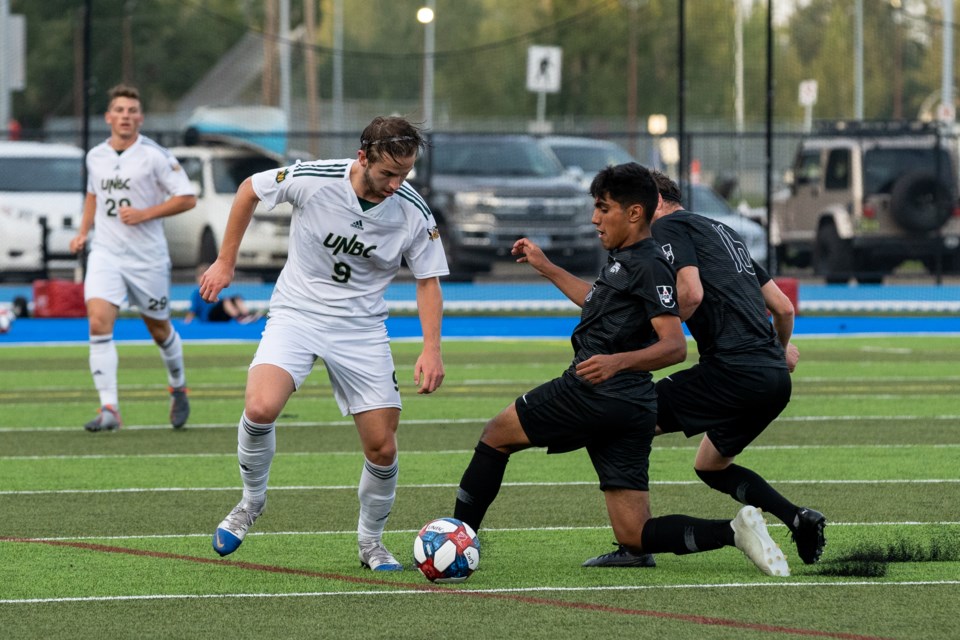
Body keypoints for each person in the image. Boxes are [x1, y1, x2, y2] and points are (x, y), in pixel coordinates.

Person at [453, 162, 791, 578]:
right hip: (632, 406)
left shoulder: (648, 263)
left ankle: (457, 540)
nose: (595, 219)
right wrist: (546, 266)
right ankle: (734, 532)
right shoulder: (630, 259)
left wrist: (616, 361)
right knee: (634, 535)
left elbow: (674, 346)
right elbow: (596, 302)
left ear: (634, 213)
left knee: (494, 436)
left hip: (593, 391)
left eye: (603, 208)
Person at [203, 116, 447, 571]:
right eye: (388, 174)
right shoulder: (313, 179)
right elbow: (248, 191)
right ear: (362, 157)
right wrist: (224, 261)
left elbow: (428, 281)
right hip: (297, 314)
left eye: (405, 174)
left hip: (361, 330)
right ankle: (251, 503)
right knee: (259, 408)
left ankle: (370, 543)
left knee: (383, 447)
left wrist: (431, 348)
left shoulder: (413, 210)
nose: (397, 184)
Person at [588, 170, 823, 567]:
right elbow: (782, 307)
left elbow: (691, 293)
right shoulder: (724, 231)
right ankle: (798, 518)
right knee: (710, 465)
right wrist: (776, 352)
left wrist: (650, 332)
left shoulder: (665, 229)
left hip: (731, 372)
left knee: (623, 421)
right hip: (772, 378)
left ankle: (635, 546)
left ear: (653, 204)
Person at [69, 84, 197, 432]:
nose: (125, 116)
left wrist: (145, 213)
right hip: (106, 252)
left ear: (140, 118)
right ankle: (109, 408)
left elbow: (187, 198)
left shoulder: (155, 155)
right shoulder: (95, 155)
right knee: (98, 322)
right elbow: (93, 194)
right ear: (109, 116)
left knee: (158, 328)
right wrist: (83, 232)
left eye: (132, 111)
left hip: (147, 257)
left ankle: (178, 386)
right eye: (119, 110)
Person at [184, 264, 261, 324]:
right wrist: (187, 321)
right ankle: (240, 318)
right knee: (225, 300)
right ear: (198, 278)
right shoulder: (197, 293)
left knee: (236, 298)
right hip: (209, 317)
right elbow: (193, 310)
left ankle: (246, 316)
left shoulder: (213, 289)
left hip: (219, 315)